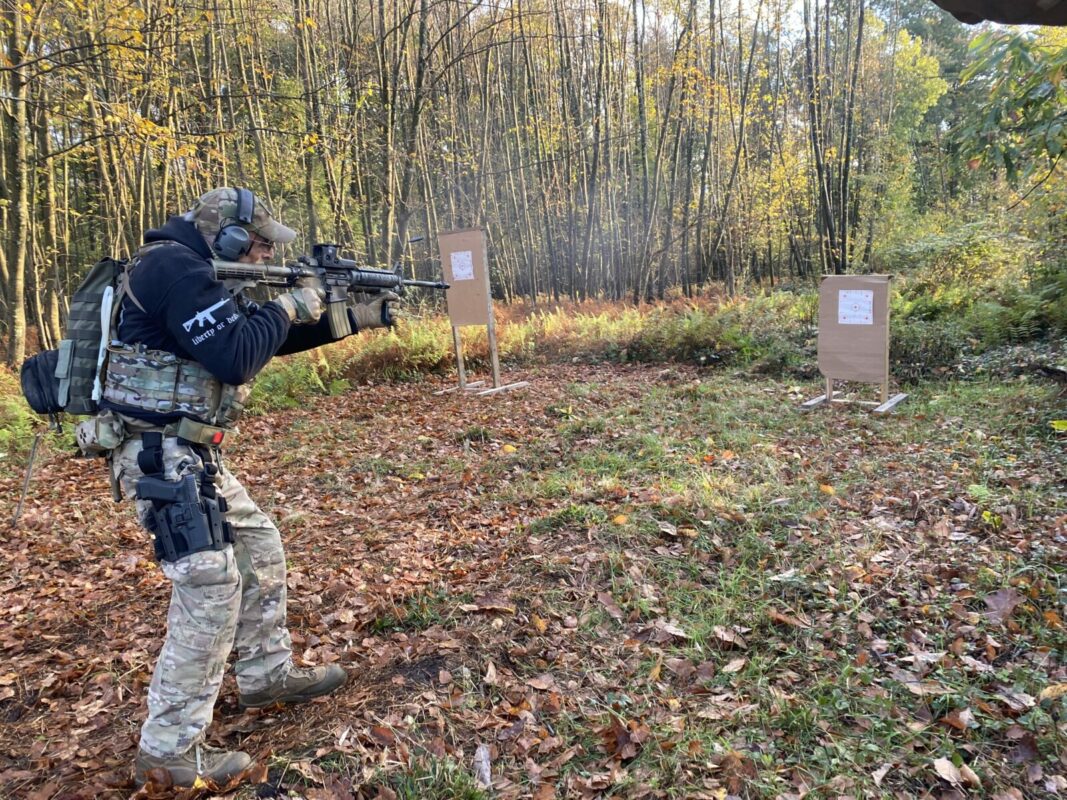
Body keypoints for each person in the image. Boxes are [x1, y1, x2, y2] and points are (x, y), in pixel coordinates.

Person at [88, 188, 395, 788]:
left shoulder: (194, 270)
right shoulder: (172, 268)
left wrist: (347, 317)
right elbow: (235, 357)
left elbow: (254, 338)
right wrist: (288, 304)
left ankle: (264, 674)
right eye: (256, 245)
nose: (260, 257)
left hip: (190, 450)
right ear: (226, 237)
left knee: (259, 547)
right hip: (160, 455)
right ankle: (168, 751)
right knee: (210, 588)